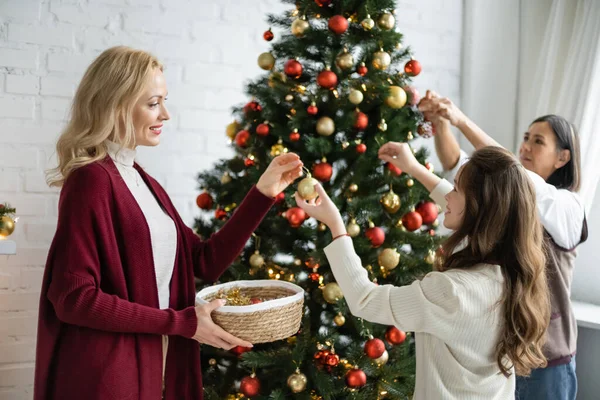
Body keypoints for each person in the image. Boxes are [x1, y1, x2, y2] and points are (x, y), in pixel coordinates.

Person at [34, 46, 304, 400]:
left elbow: (205, 261)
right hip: (108, 376)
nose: (166, 114)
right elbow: (73, 297)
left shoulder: (142, 181)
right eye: (152, 103)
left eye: (164, 101)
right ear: (116, 105)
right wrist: (182, 323)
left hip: (159, 360)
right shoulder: (92, 180)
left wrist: (263, 193)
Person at [295, 143, 550, 400]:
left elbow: (364, 299)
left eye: (457, 189)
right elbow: (471, 209)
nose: (448, 195)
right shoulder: (514, 273)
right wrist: (413, 168)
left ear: (477, 208)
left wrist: (335, 225)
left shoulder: (451, 291)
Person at [419, 91, 588, 400]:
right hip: (503, 355)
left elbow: (512, 171)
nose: (525, 145)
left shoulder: (568, 207)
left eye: (539, 141)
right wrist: (442, 125)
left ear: (563, 157)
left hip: (547, 363)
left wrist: (460, 119)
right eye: (526, 137)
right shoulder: (509, 198)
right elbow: (458, 167)